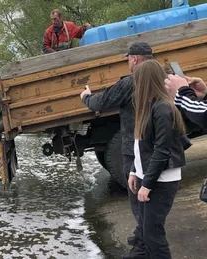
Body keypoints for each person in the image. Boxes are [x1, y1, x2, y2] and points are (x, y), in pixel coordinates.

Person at [80, 42, 153, 257]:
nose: (128, 61)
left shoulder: (130, 83)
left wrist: (86, 97)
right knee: (147, 198)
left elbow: (102, 102)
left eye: (128, 58)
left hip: (135, 149)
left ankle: (142, 247)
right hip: (153, 146)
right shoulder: (160, 78)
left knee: (138, 198)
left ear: (135, 59)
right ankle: (142, 236)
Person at [127, 59, 186, 259]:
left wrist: (147, 185)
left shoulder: (162, 108)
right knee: (146, 232)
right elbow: (141, 145)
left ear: (145, 81)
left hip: (162, 181)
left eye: (137, 81)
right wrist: (135, 171)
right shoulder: (150, 106)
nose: (135, 85)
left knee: (153, 235)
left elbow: (162, 151)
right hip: (150, 177)